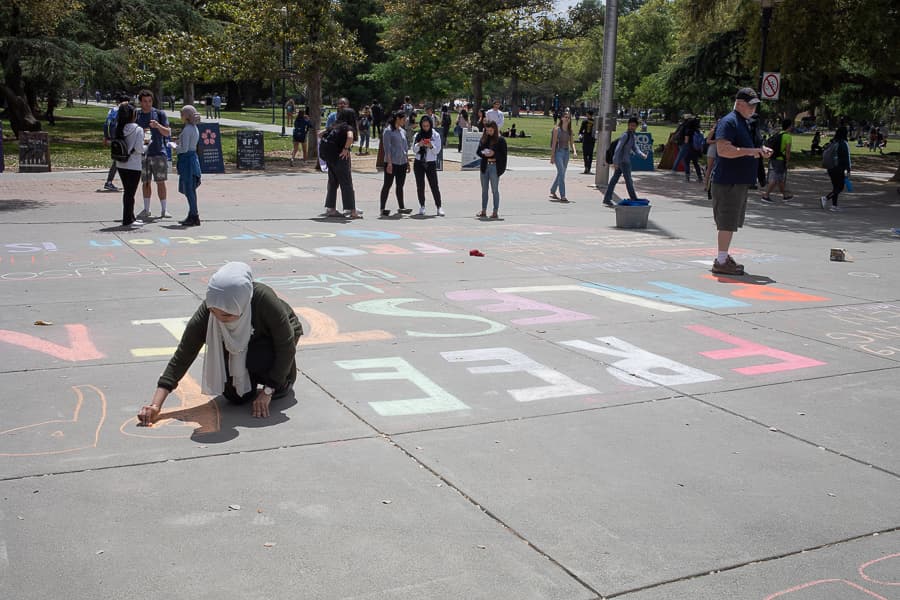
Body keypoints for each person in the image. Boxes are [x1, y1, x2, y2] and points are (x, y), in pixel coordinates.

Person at [137, 262, 303, 425]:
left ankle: (282, 379)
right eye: (213, 312)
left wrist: (268, 390)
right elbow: (184, 354)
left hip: (271, 341)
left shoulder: (263, 299)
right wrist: (155, 405)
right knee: (236, 397)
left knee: (257, 358)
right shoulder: (212, 309)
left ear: (242, 304)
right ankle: (250, 377)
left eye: (227, 315)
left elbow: (285, 345)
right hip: (239, 347)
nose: (219, 319)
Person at [710, 87, 772, 275]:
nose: (753, 109)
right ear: (739, 104)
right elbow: (723, 150)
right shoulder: (729, 122)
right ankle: (721, 261)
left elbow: (744, 146)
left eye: (755, 105)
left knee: (731, 222)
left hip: (737, 181)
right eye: (750, 105)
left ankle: (724, 257)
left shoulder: (743, 122)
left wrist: (760, 149)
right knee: (727, 222)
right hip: (728, 181)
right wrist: (752, 151)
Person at [135, 90, 173, 220]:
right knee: (146, 182)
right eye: (145, 101)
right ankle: (146, 209)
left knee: (160, 181)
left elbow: (167, 132)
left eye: (150, 101)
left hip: (158, 152)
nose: (147, 104)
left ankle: (164, 209)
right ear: (140, 102)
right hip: (143, 153)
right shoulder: (137, 115)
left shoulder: (159, 114)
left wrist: (157, 126)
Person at [323, 108, 362, 219]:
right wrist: (345, 148)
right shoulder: (347, 127)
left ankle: (331, 209)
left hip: (331, 159)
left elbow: (320, 134)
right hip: (341, 158)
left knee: (332, 184)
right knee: (347, 184)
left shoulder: (334, 126)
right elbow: (350, 137)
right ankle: (352, 211)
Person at [113, 102, 147, 228]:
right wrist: (147, 145)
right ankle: (128, 219)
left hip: (121, 163)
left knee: (127, 192)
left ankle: (130, 216)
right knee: (130, 193)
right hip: (133, 164)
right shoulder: (138, 129)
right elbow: (139, 149)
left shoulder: (119, 127)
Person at [603, 116, 647, 207]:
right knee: (629, 180)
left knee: (614, 180)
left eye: (634, 126)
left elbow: (635, 148)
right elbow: (618, 149)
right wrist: (615, 162)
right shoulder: (625, 135)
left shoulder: (632, 136)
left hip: (624, 161)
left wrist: (641, 154)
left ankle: (607, 198)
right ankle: (633, 198)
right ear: (628, 125)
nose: (632, 127)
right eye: (630, 125)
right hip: (623, 162)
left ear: (636, 126)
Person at [379, 110, 412, 217]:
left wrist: (407, 161)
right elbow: (387, 149)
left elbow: (405, 148)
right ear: (397, 118)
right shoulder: (388, 131)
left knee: (400, 185)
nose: (405, 121)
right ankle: (382, 208)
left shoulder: (402, 131)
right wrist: (389, 163)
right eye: (403, 119)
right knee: (387, 185)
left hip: (402, 162)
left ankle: (401, 207)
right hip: (392, 162)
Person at [176, 105, 202, 226]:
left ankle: (193, 215)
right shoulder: (194, 128)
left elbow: (184, 148)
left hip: (187, 161)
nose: (181, 117)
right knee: (191, 190)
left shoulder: (187, 129)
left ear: (186, 116)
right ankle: (193, 214)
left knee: (189, 190)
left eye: (182, 114)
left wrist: (175, 147)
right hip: (192, 159)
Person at [412, 116, 444, 216]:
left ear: (430, 125)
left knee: (434, 185)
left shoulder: (436, 135)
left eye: (427, 126)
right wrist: (419, 144)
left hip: (430, 163)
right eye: (423, 126)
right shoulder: (417, 135)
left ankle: (439, 207)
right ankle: (422, 206)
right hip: (419, 162)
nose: (425, 128)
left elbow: (437, 151)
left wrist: (430, 145)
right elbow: (414, 150)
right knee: (420, 185)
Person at [476, 120, 508, 219]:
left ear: (495, 130)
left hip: (494, 166)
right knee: (484, 190)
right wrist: (484, 153)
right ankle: (483, 210)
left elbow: (503, 155)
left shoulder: (501, 140)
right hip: (485, 166)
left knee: (494, 190)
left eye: (490, 130)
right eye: (487, 130)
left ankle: (495, 211)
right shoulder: (484, 139)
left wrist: (494, 154)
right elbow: (478, 151)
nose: (489, 132)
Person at [761, 118, 794, 203]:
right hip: (780, 160)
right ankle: (766, 195)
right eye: (791, 125)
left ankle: (785, 195)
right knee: (776, 178)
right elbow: (787, 151)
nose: (792, 127)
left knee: (780, 178)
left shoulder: (779, 134)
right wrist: (787, 162)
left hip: (774, 158)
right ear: (789, 126)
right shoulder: (788, 136)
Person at [820, 126, 851, 212]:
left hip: (830, 167)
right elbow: (846, 158)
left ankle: (834, 206)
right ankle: (826, 198)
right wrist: (848, 169)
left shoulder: (833, 142)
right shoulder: (843, 143)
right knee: (840, 187)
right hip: (839, 168)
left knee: (835, 187)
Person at [549, 111, 576, 202]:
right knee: (561, 173)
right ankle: (563, 195)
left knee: (562, 173)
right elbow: (553, 144)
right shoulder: (557, 129)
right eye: (566, 117)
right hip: (558, 152)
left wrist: (574, 151)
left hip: (566, 153)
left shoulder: (570, 130)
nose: (567, 119)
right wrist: (552, 156)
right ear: (562, 118)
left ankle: (553, 190)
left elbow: (572, 142)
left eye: (569, 117)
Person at [101, 97, 124, 192]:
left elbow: (106, 123)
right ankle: (109, 182)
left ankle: (110, 181)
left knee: (118, 160)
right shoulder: (123, 110)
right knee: (119, 160)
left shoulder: (112, 110)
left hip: (113, 137)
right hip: (120, 138)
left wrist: (106, 137)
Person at [704, 116, 720, 199]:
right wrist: (716, 141)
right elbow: (708, 141)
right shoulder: (713, 130)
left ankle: (712, 185)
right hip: (713, 149)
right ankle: (706, 185)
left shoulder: (723, 131)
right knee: (709, 168)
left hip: (719, 149)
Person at [579, 109, 596, 174]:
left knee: (585, 154)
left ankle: (586, 167)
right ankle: (589, 168)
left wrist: (581, 135)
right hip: (592, 139)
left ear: (588, 114)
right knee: (590, 154)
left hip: (586, 139)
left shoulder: (584, 121)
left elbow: (581, 131)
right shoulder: (595, 122)